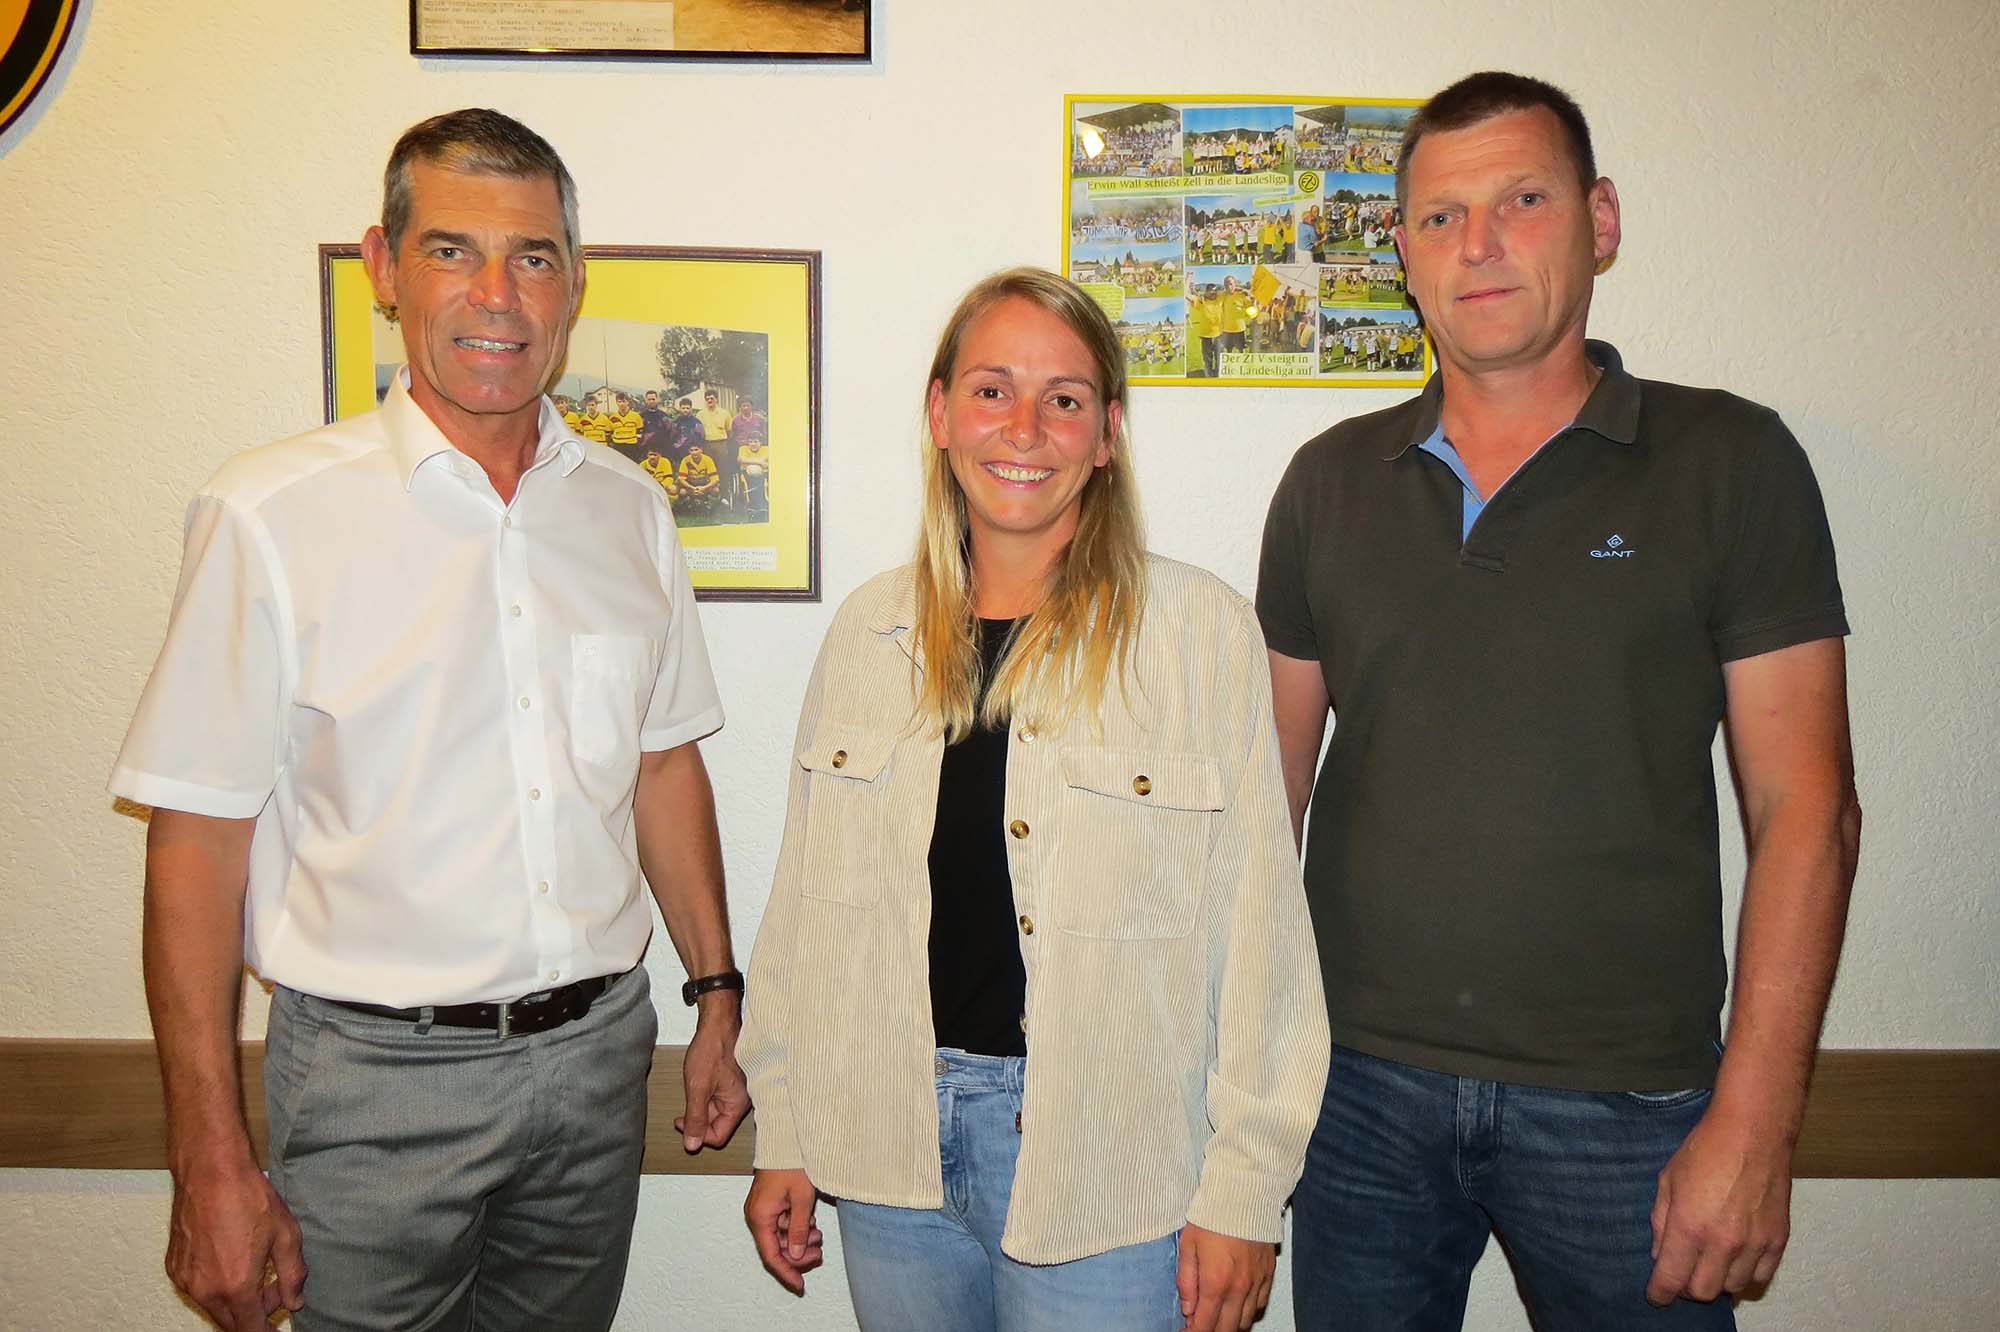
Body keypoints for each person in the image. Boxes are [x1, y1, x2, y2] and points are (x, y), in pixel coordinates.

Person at [109, 108, 749, 1332]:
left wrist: (714, 990)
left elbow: (663, 765)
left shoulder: (628, 511)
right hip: (370, 1085)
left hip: (596, 1061)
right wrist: (207, 1155)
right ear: (384, 267)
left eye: (533, 257)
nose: (497, 294)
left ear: (572, 282)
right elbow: (195, 842)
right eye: (453, 250)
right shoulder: (269, 513)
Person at [1257, 71, 1860, 1331]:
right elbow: (1265, 807)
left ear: (1599, 221)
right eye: (1439, 216)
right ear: (1403, 254)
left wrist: (1755, 1123)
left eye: (1520, 201)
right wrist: (1237, 1091)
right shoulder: (1325, 483)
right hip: (1352, 1093)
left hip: (1626, 1109)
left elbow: (1806, 809)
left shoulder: (1728, 461)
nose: (1476, 244)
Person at [738, 267, 1328, 1332]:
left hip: (1110, 1162)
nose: (1024, 428)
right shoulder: (868, 635)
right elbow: (805, 917)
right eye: (990, 390)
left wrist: (1246, 1187)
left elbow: (1261, 934)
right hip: (884, 1147)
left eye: (1063, 398)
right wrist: (782, 1125)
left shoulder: (1196, 634)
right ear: (940, 415)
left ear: (1106, 433)